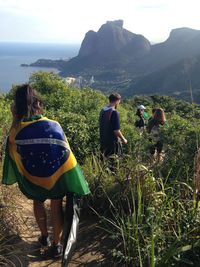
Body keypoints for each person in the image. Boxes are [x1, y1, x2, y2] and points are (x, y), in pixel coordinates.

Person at [2, 84, 90, 258]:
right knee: (56, 206)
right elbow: (66, 154)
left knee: (38, 202)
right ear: (38, 104)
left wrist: (15, 117)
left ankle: (44, 237)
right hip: (56, 177)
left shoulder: (16, 129)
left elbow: (11, 150)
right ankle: (57, 246)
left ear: (17, 107)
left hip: (33, 178)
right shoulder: (53, 125)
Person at [99, 93, 127, 159]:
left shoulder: (102, 110)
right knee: (113, 163)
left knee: (104, 161)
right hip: (112, 143)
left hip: (103, 141)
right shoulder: (114, 112)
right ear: (117, 101)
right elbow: (116, 131)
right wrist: (123, 139)